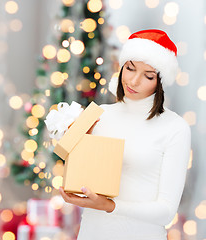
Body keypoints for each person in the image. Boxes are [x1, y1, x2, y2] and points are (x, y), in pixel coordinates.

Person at [59, 29, 191, 240]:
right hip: (92, 233)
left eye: (148, 76)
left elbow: (166, 212)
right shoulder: (98, 115)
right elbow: (71, 164)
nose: (134, 81)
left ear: (160, 82)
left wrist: (111, 206)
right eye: (130, 68)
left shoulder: (175, 127)